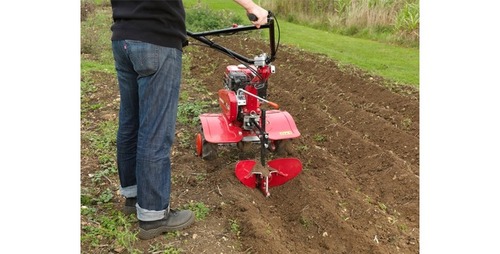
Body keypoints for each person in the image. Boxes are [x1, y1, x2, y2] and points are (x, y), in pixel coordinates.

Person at [110, 0, 269, 240]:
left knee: (130, 124)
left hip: (123, 39)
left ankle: (134, 197)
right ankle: (153, 215)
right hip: (156, 40)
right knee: (155, 130)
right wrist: (252, 7)